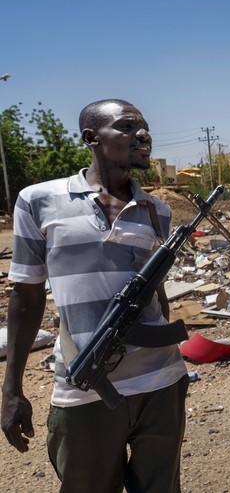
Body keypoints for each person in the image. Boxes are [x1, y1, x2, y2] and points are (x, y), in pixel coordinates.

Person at [1, 99, 189, 492]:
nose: (143, 135)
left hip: (161, 381)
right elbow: (26, 298)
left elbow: (156, 293)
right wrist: (11, 389)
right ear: (91, 137)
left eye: (144, 126)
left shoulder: (157, 210)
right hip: (84, 387)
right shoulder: (37, 200)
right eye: (127, 126)